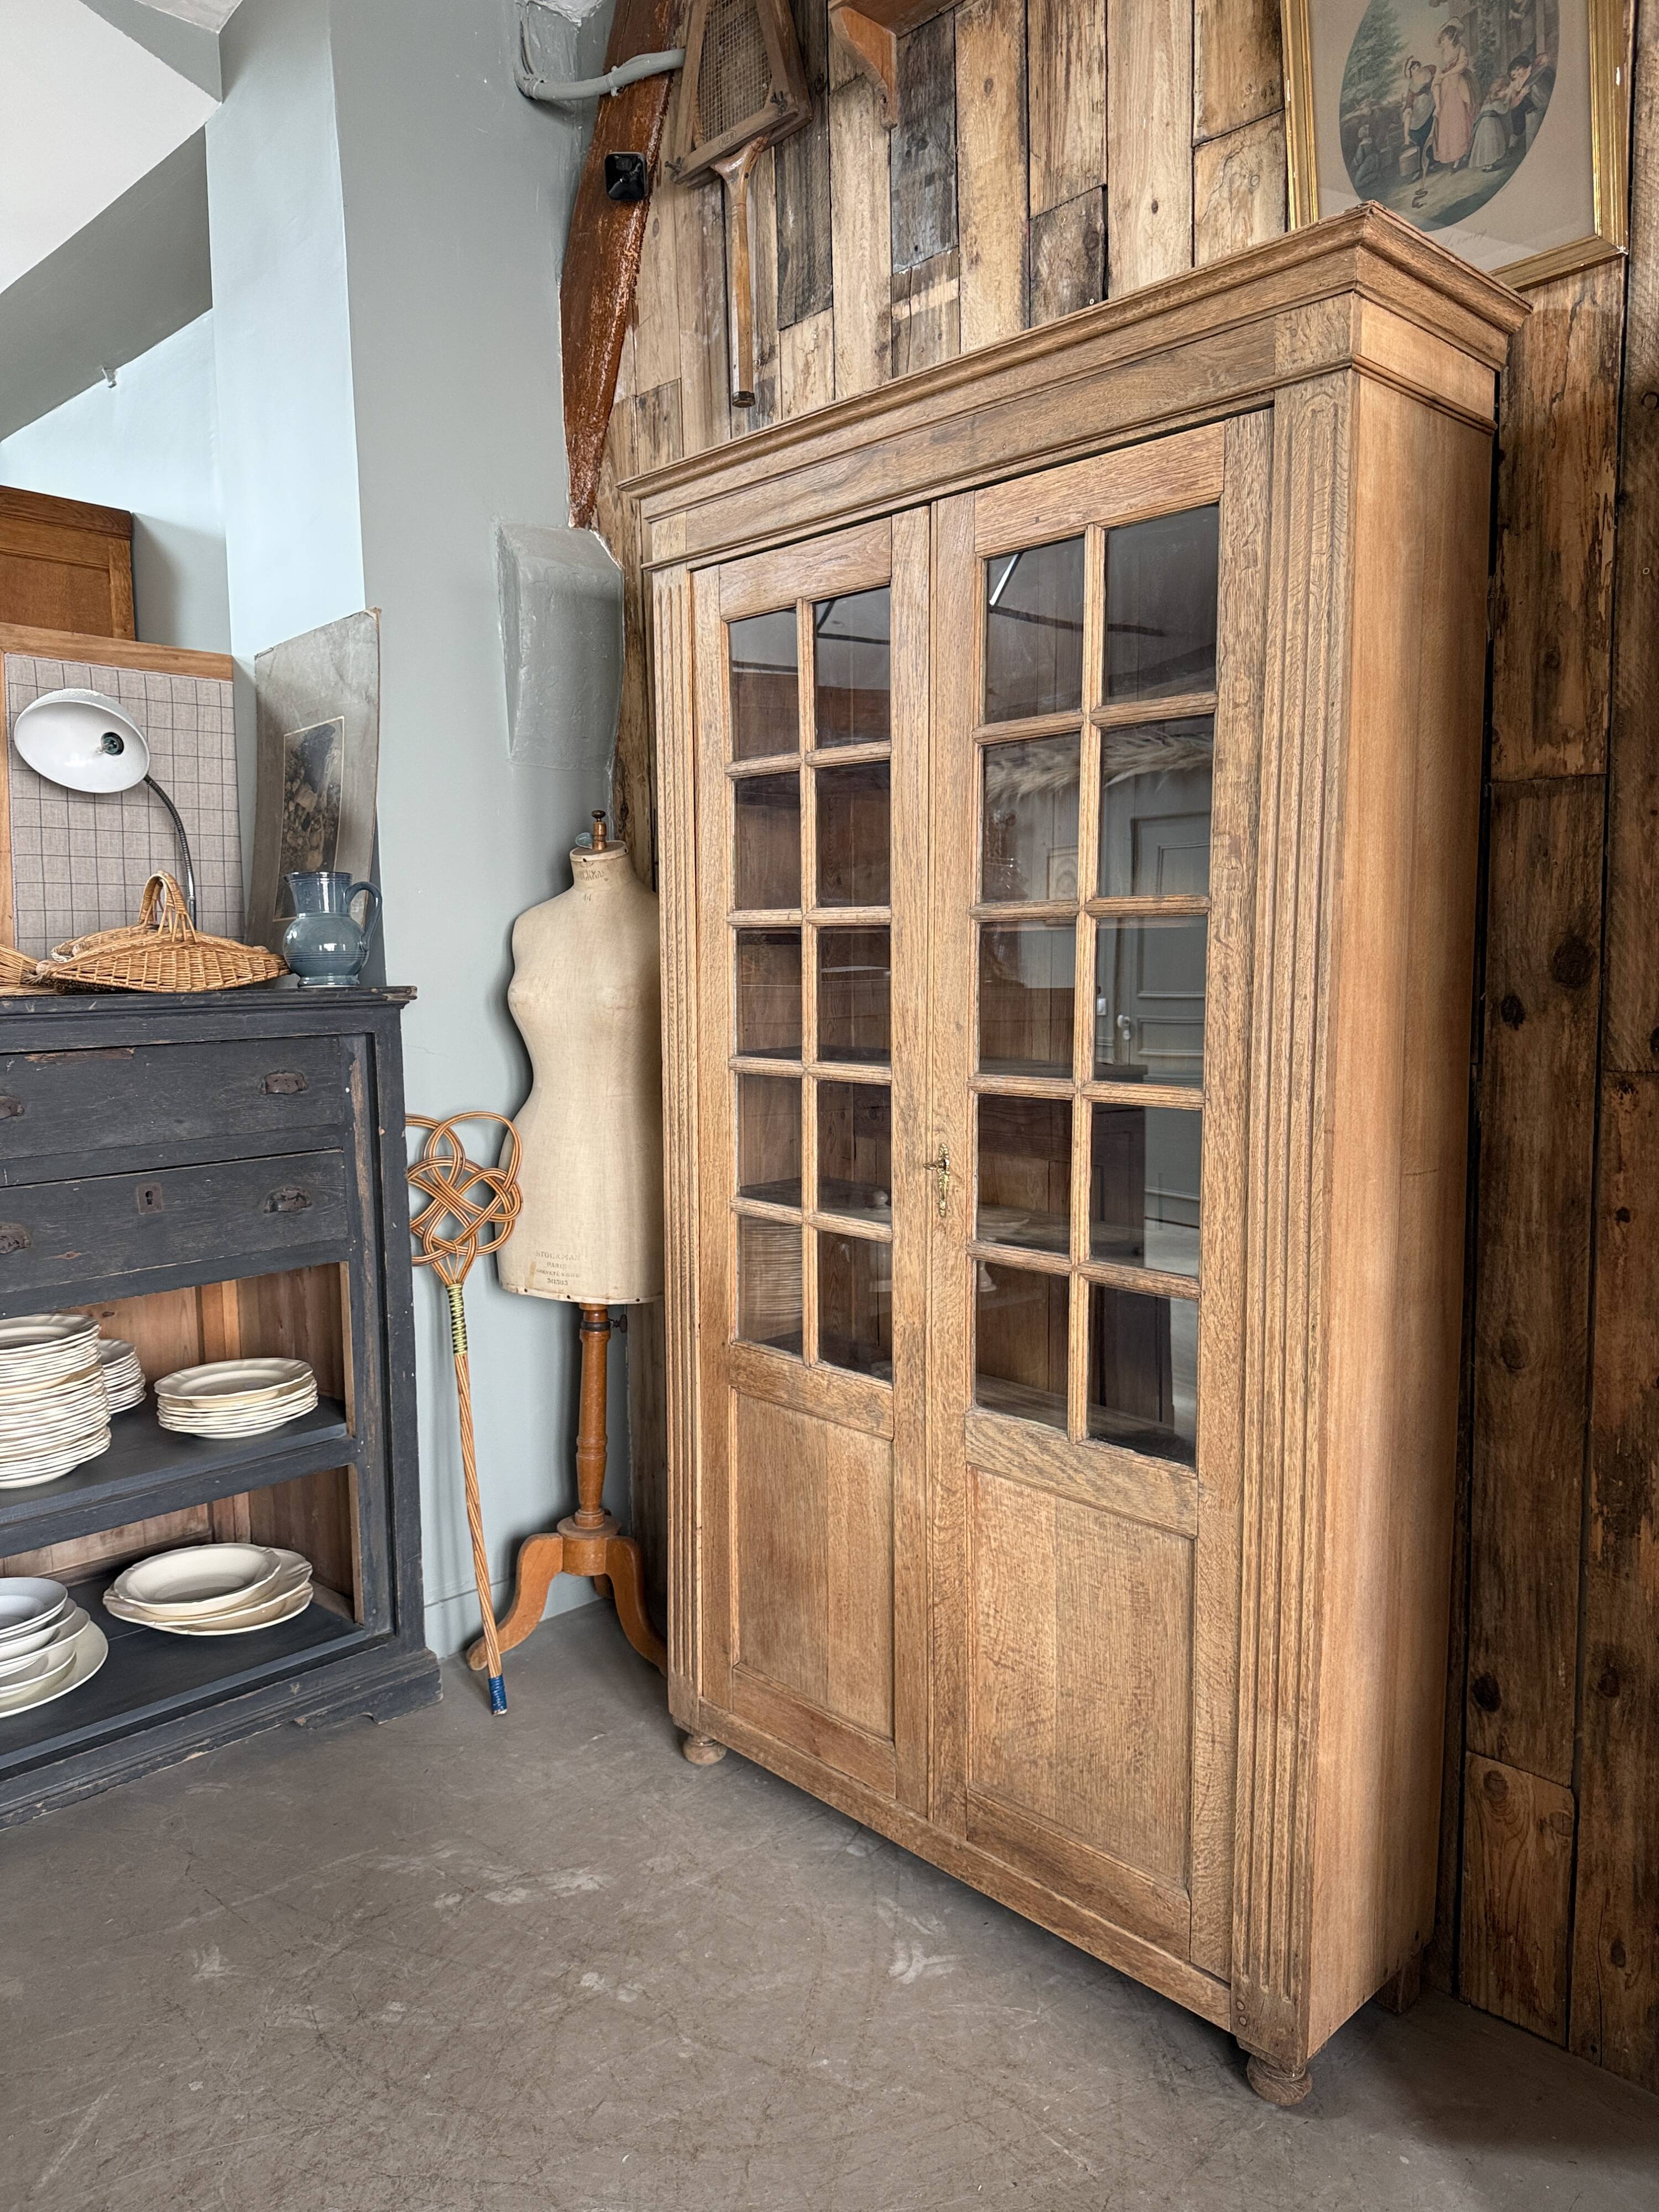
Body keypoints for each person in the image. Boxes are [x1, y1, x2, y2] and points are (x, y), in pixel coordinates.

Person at [1432, 20, 1478, 170]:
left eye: (1444, 38)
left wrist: (1448, 74)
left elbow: (1463, 65)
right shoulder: (1442, 55)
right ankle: (1455, 157)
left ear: (1451, 37)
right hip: (1446, 90)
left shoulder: (1460, 48)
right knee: (1448, 122)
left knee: (1461, 117)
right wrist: (1438, 104)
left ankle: (1467, 151)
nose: (1442, 42)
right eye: (1442, 39)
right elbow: (1438, 77)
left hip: (1460, 84)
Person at [1401, 57, 1437, 180]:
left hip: (1431, 106)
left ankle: (1431, 162)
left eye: (1417, 67)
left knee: (1430, 135)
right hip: (1419, 111)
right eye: (1413, 69)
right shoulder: (1412, 85)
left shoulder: (1430, 71)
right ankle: (1419, 167)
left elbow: (1438, 78)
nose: (1416, 70)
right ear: (1410, 73)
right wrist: (1408, 109)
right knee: (1417, 136)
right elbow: (1410, 100)